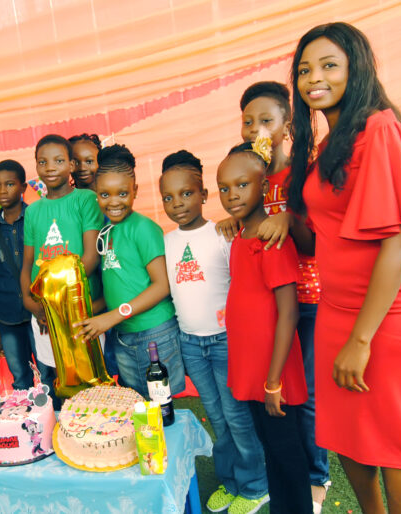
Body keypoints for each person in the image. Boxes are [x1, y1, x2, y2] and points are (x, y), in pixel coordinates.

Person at [284, 22, 401, 513]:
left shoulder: (380, 129)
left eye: (329, 65)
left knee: (394, 442)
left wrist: (361, 340)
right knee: (345, 433)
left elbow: (399, 241)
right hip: (339, 308)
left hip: (394, 312)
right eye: (304, 69)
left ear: (356, 70)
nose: (314, 77)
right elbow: (318, 236)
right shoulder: (327, 146)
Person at [217, 81, 331, 510]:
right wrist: (234, 220)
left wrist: (287, 218)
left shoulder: (302, 174)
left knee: (305, 395)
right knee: (283, 401)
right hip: (271, 302)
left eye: (266, 120)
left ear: (287, 125)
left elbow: (314, 241)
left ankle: (315, 477)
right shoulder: (250, 174)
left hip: (308, 297)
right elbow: (244, 203)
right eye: (248, 121)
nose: (256, 129)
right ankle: (291, 482)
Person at [160, 150, 269, 514]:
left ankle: (256, 486)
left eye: (186, 194)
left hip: (225, 341)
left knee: (237, 417)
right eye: (168, 198)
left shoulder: (224, 233)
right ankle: (231, 481)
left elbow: (243, 283)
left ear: (204, 194)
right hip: (190, 343)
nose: (178, 204)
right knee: (217, 418)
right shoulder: (166, 242)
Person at [73, 144, 185, 398]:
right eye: (105, 195)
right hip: (125, 335)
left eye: (122, 193)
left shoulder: (143, 228)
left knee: (160, 406)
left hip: (154, 333)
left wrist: (112, 317)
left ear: (135, 190)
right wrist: (88, 312)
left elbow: (161, 285)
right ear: (96, 194)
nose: (114, 202)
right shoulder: (107, 232)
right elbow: (119, 284)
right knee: (136, 404)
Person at [20, 135, 103, 385]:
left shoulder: (86, 200)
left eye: (58, 161)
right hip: (44, 312)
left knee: (90, 378)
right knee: (58, 380)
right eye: (42, 162)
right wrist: (28, 301)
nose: (50, 168)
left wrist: (60, 303)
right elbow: (28, 264)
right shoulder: (33, 211)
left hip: (80, 309)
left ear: (71, 165)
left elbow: (91, 257)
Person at [0, 159, 39, 390]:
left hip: (38, 313)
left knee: (49, 373)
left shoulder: (37, 218)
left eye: (9, 184)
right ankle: (27, 414)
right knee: (20, 379)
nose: (2, 191)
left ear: (23, 187)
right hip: (7, 317)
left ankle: (54, 412)